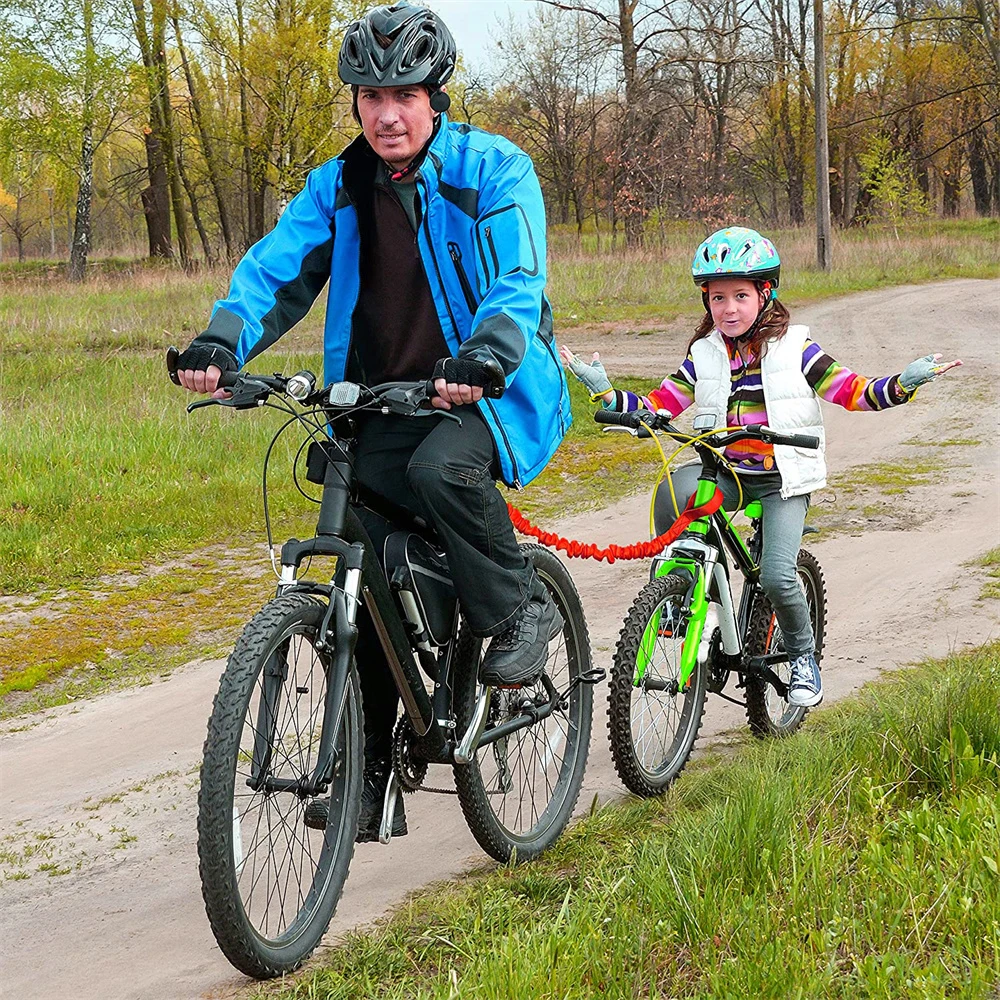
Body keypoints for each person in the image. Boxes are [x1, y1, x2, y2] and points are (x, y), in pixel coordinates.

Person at [170, 2, 571, 842]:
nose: (387, 114)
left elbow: (517, 279)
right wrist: (221, 341)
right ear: (356, 102)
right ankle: (374, 772)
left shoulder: (494, 169)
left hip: (488, 391)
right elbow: (275, 270)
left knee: (440, 470)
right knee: (366, 567)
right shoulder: (340, 185)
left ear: (436, 97)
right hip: (379, 396)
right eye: (371, 96)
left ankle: (517, 611)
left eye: (405, 96)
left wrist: (486, 354)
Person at [561, 226, 961, 709]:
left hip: (783, 479)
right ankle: (681, 599)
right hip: (727, 472)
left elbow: (852, 390)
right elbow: (660, 404)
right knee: (672, 491)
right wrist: (608, 394)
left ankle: (802, 656)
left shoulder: (797, 349)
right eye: (718, 297)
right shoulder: (704, 354)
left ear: (765, 294)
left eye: (740, 296)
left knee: (776, 576)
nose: (728, 309)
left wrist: (902, 384)